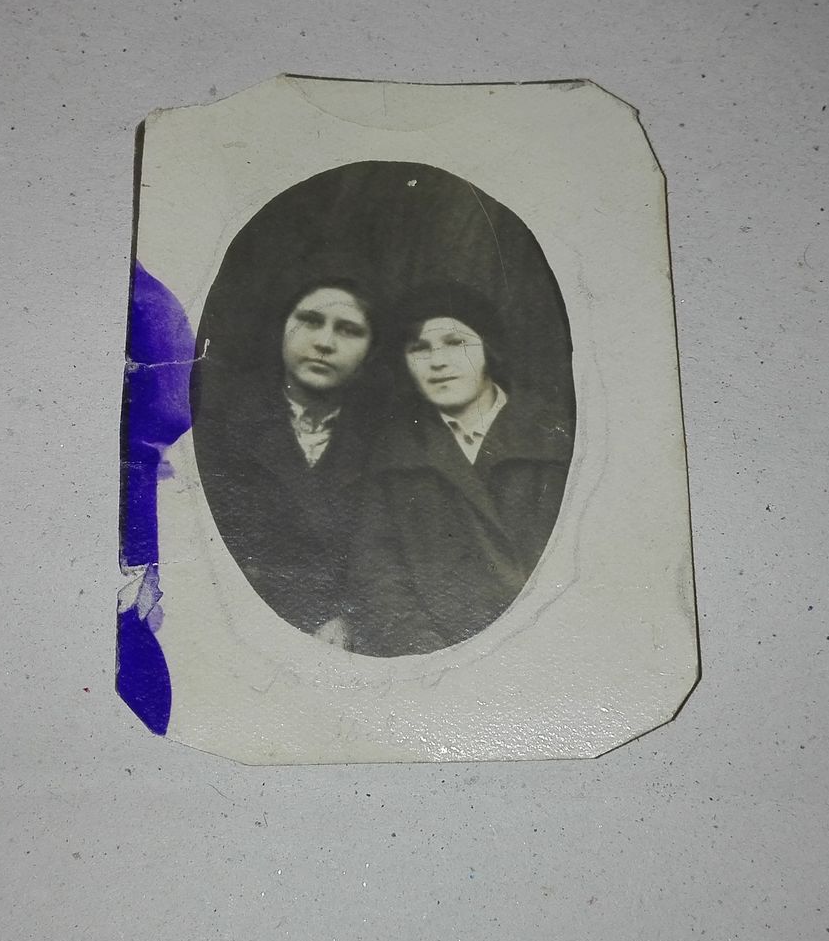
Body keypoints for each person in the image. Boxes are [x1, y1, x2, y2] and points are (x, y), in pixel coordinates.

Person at [348, 282, 573, 656]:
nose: (438, 361)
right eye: (419, 348)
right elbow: (378, 579)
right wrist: (431, 655)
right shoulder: (392, 454)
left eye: (455, 343)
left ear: (489, 349)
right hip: (436, 661)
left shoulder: (555, 439)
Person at [194, 274, 378, 643]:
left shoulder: (383, 438)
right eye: (309, 321)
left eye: (348, 330)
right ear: (282, 328)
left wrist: (351, 618)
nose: (324, 343)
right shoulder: (217, 426)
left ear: (370, 351)